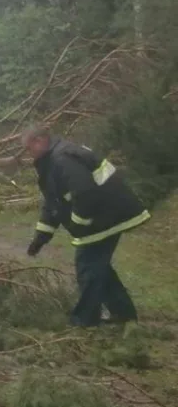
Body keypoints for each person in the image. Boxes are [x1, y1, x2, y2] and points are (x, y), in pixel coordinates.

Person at [22, 125, 150, 328]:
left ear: (39, 140)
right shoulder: (53, 161)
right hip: (104, 215)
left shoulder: (62, 159)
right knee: (99, 267)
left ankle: (85, 321)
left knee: (88, 268)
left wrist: (79, 224)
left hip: (107, 215)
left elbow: (84, 193)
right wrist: (40, 239)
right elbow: (53, 204)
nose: (30, 154)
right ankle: (124, 315)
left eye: (29, 148)